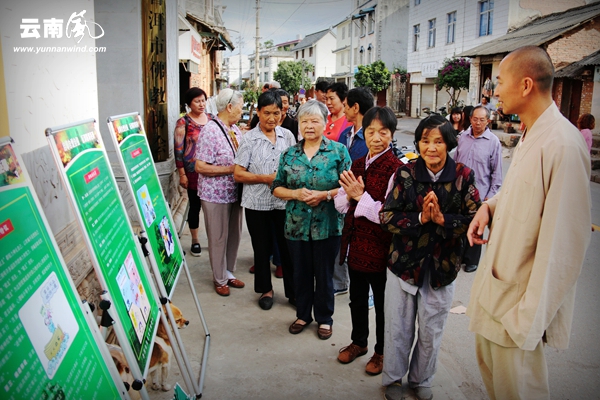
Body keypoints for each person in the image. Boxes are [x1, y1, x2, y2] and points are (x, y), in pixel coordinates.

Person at [466, 46, 592, 400]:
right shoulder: (531, 134)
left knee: (520, 392)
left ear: (525, 85)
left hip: (517, 311)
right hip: (497, 294)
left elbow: (565, 246)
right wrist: (489, 207)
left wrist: (526, 320)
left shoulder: (562, 144)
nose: (492, 92)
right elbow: (518, 194)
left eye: (499, 82)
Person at [380, 115, 480, 400]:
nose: (431, 147)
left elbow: (475, 219)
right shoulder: (405, 174)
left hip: (442, 267)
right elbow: (386, 217)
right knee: (398, 328)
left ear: (448, 144)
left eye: (438, 141)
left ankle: (421, 379)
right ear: (418, 143)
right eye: (425, 140)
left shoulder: (464, 176)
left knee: (431, 330)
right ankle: (393, 379)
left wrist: (443, 220)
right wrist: (422, 218)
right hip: (404, 265)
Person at [273, 99, 352, 340]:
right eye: (304, 121)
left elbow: (349, 188)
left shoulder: (338, 152)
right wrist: (295, 193)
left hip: (328, 226)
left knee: (325, 274)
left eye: (315, 120)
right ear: (299, 124)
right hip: (296, 225)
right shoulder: (289, 154)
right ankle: (303, 314)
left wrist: (325, 195)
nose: (309, 125)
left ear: (325, 123)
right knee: (301, 273)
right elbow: (277, 187)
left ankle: (325, 318)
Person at [334, 106, 403, 376]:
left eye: (383, 132)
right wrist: (351, 195)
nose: (376, 138)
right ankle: (359, 342)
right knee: (357, 298)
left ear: (391, 135)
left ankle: (382, 351)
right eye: (371, 131)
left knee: (384, 303)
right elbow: (341, 201)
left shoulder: (398, 170)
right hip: (355, 243)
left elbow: (387, 214)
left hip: (382, 248)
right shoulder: (358, 163)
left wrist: (359, 196)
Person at [234, 91, 296, 310]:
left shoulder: (288, 136)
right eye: (267, 112)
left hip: (283, 203)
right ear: (258, 112)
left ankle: (293, 291)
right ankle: (265, 290)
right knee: (261, 249)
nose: (272, 118)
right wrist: (264, 178)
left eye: (276, 113)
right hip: (256, 204)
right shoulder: (249, 138)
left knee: (288, 248)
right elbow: (238, 173)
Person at [195, 88, 246, 297]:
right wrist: (230, 169)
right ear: (230, 106)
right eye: (241, 108)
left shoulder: (235, 130)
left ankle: (228, 271)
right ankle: (219, 278)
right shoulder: (211, 130)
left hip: (235, 192)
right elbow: (200, 166)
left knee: (234, 234)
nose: (242, 112)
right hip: (215, 195)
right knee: (217, 237)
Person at [332, 86, 374, 298]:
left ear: (355, 108)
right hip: (343, 197)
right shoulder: (345, 135)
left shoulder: (371, 138)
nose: (344, 110)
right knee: (341, 238)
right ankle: (340, 283)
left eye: (346, 106)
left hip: (364, 200)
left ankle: (365, 291)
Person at [454, 105, 503, 273]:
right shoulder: (462, 138)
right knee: (459, 225)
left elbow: (497, 173)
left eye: (482, 120)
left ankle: (471, 260)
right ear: (470, 119)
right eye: (475, 119)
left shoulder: (493, 142)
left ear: (488, 121)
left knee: (476, 227)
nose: (477, 123)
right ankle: (458, 256)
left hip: (480, 193)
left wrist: (489, 198)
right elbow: (455, 162)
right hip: (459, 190)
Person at [174, 87, 212, 256]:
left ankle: (214, 240)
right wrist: (182, 173)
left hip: (212, 170)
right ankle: (195, 240)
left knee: (212, 207)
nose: (201, 104)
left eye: (203, 100)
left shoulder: (212, 120)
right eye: (197, 101)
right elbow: (178, 149)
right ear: (189, 104)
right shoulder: (184, 122)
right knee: (195, 206)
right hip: (193, 171)